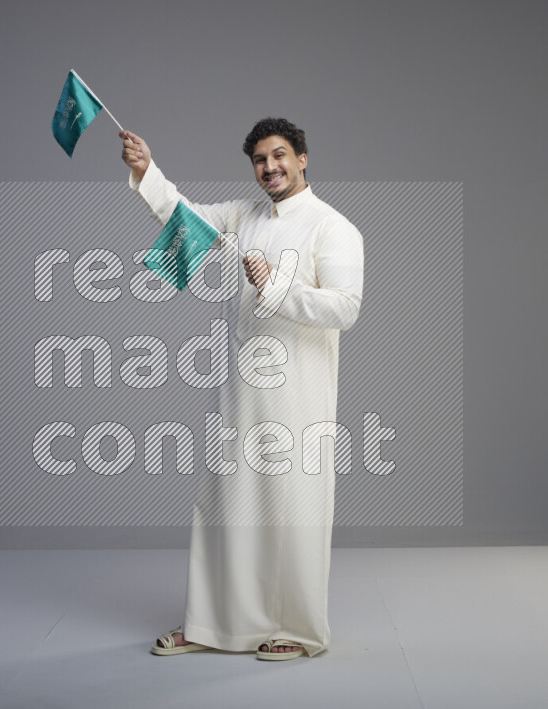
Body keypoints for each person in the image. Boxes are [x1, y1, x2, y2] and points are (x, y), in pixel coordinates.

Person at [119, 117, 364, 660]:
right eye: (259, 160)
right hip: (236, 387)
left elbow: (346, 308)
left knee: (290, 503)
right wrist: (147, 170)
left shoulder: (333, 227)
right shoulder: (242, 215)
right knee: (224, 500)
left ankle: (300, 631)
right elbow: (184, 219)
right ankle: (211, 626)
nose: (269, 167)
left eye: (279, 156)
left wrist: (277, 284)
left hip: (298, 393)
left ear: (302, 158)